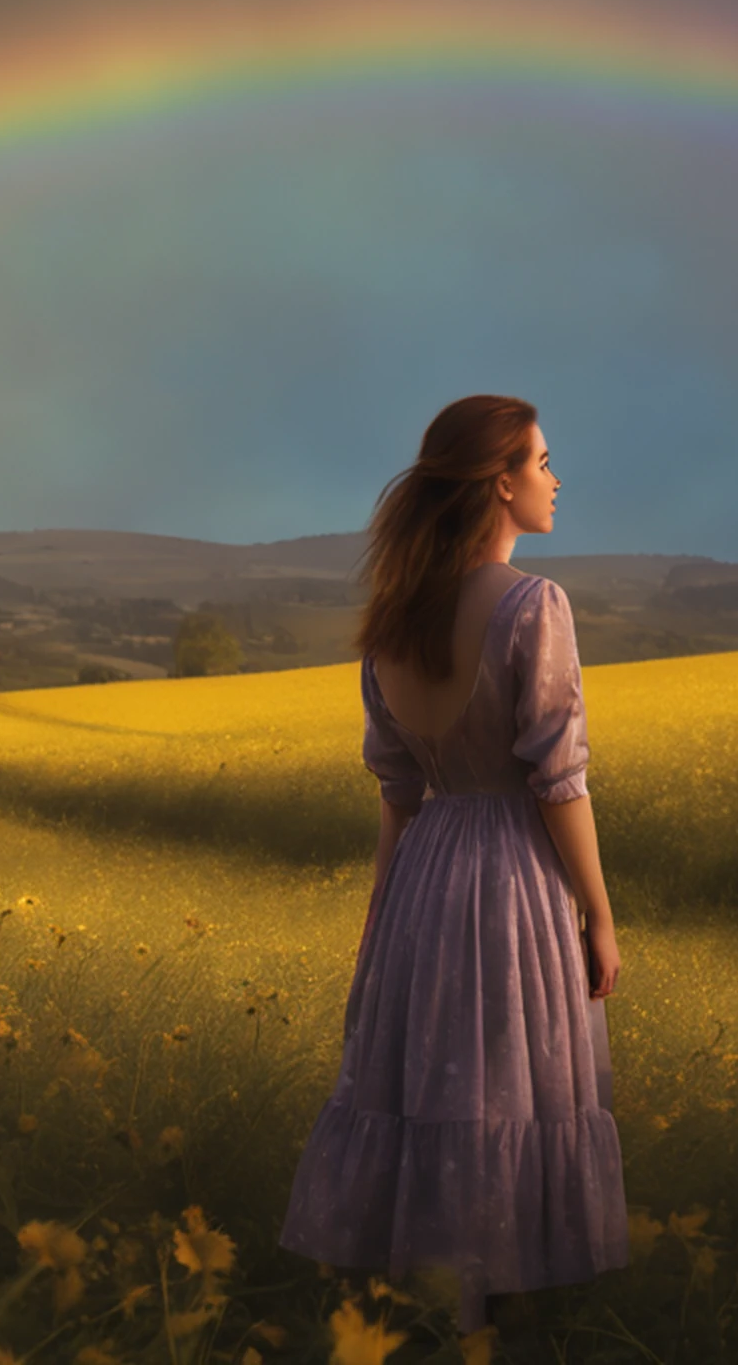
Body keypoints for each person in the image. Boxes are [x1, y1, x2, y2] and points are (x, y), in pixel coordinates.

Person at [277, 394, 631, 1344]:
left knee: (434, 1091)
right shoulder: (532, 606)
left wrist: (380, 916)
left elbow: (397, 796)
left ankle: (434, 1320)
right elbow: (559, 782)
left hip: (426, 882)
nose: (556, 480)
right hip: (513, 879)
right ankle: (490, 1324)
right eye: (543, 462)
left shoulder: (392, 621)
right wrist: (598, 914)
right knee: (508, 1089)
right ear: (500, 482)